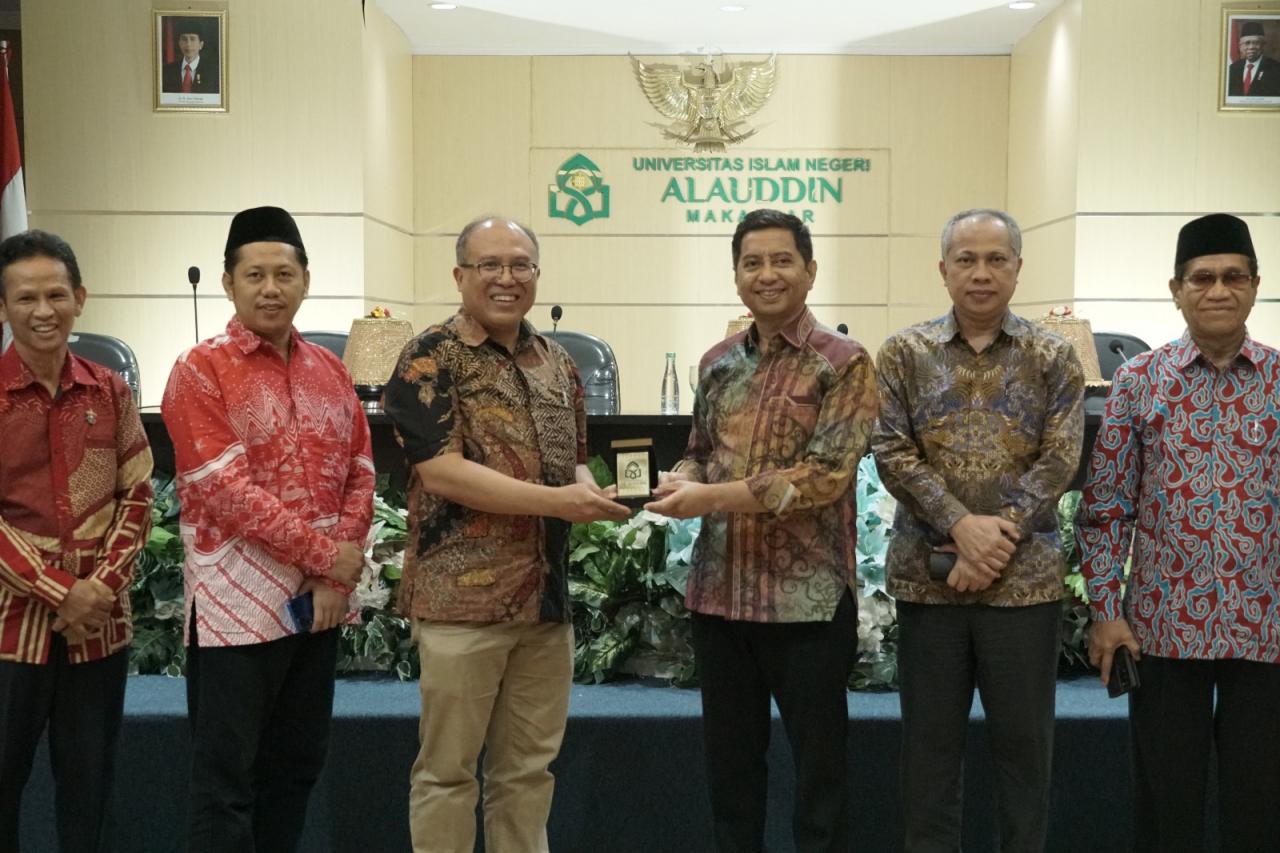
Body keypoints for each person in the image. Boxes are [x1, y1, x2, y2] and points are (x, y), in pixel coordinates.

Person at [383, 215, 628, 853]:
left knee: (527, 773)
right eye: (490, 265)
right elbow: (442, 473)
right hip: (461, 605)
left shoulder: (558, 362)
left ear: (537, 276)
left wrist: (596, 494)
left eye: (520, 265)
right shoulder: (428, 357)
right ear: (460, 275)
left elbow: (572, 461)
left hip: (543, 604)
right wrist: (559, 500)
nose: (506, 278)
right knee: (448, 773)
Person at [644, 208, 879, 853]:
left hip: (806, 605)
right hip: (720, 599)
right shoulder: (718, 361)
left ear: (809, 270)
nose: (767, 274)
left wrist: (706, 496)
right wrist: (672, 482)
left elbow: (825, 477)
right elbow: (700, 450)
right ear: (737, 275)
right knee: (731, 777)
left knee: (820, 781)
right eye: (752, 263)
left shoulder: (845, 362)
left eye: (781, 260)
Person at [871, 208, 1084, 853]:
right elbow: (891, 451)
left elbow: (1061, 459)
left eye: (997, 259)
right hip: (929, 585)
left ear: (1018, 269)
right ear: (943, 270)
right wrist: (963, 527)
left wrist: (994, 542)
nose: (982, 273)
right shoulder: (904, 353)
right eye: (967, 260)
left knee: (1025, 761)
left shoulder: (1054, 357)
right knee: (929, 761)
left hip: (1024, 589)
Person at [161, 206, 373, 852]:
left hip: (320, 605)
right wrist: (326, 556)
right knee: (226, 783)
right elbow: (223, 490)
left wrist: (335, 568)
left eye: (284, 273)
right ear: (229, 283)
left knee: (296, 769)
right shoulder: (200, 369)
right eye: (255, 274)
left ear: (307, 279)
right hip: (236, 610)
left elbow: (361, 470)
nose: (270, 287)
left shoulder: (330, 370)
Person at [1076, 213, 1280, 853]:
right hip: (1163, 630)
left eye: (1233, 276)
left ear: (1254, 285)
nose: (1218, 290)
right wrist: (1107, 613)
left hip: (1265, 628)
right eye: (1202, 277)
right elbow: (1107, 507)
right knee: (1167, 810)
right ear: (1176, 288)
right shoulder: (1140, 381)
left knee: (1259, 807)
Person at [0, 229, 153, 852]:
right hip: (10, 629)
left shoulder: (110, 391)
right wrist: (60, 591)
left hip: (99, 628)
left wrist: (98, 591)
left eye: (56, 295)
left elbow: (138, 494)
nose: (44, 311)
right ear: (4, 307)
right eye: (26, 298)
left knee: (89, 790)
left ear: (80, 297)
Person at [161, 18, 219, 94]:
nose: (188, 44)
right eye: (184, 39)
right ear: (179, 44)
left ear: (201, 45)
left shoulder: (214, 72)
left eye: (192, 39)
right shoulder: (166, 71)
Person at [1227, 21, 1280, 97]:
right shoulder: (1233, 68)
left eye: (1256, 43)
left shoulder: (1276, 68)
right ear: (1240, 46)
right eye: (1247, 43)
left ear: (1263, 46)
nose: (1251, 47)